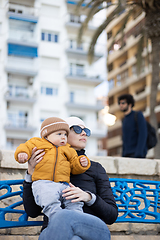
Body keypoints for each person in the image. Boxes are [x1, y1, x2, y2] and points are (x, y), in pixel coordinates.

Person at [23, 116, 118, 240]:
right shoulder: (43, 166)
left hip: (91, 231)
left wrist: (88, 197)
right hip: (54, 232)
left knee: (65, 217)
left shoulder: (95, 168)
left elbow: (111, 215)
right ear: (62, 135)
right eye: (77, 129)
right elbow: (32, 212)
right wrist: (31, 172)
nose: (84, 133)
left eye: (86, 131)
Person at [15, 117, 90, 219]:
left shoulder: (68, 149)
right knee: (49, 199)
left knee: (73, 201)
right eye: (59, 134)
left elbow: (74, 166)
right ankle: (57, 218)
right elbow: (25, 147)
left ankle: (77, 218)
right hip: (43, 182)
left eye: (65, 134)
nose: (63, 137)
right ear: (46, 135)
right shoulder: (38, 143)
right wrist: (22, 154)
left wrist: (82, 163)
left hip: (63, 184)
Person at [118, 94, 148, 158]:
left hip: (137, 154)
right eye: (119, 103)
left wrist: (139, 153)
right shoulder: (124, 119)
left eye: (123, 103)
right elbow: (125, 138)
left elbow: (143, 134)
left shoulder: (138, 115)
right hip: (126, 155)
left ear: (130, 104)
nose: (121, 105)